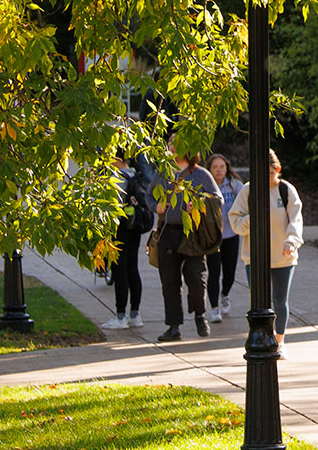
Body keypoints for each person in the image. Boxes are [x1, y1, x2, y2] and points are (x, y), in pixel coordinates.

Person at [228, 150, 305, 346]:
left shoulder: (286, 191)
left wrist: (291, 241)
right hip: (254, 258)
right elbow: (235, 221)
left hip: (283, 257)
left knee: (280, 302)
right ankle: (262, 338)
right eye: (262, 174)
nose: (267, 178)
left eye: (270, 173)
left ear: (278, 170)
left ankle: (279, 342)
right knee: (259, 303)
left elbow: (296, 219)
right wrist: (251, 220)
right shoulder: (248, 190)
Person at [152, 147, 219, 343]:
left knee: (196, 276)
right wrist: (155, 207)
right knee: (169, 281)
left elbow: (217, 198)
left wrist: (199, 204)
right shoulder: (163, 173)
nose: (172, 148)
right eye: (171, 144)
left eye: (177, 144)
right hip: (167, 231)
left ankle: (200, 315)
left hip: (192, 233)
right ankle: (173, 327)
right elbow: (149, 196)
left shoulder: (200, 174)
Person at [101, 152, 155, 330]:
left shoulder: (115, 177)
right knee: (133, 267)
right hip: (135, 225)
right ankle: (135, 314)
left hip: (120, 227)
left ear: (116, 158)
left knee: (119, 270)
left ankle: (120, 315)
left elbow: (110, 204)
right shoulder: (135, 174)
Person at [205, 153, 245, 325]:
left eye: (222, 166)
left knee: (229, 273)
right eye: (215, 167)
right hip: (213, 237)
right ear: (210, 170)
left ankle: (225, 294)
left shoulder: (235, 186)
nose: (219, 170)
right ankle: (214, 308)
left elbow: (245, 204)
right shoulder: (206, 186)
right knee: (214, 273)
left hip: (231, 235)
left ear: (227, 168)